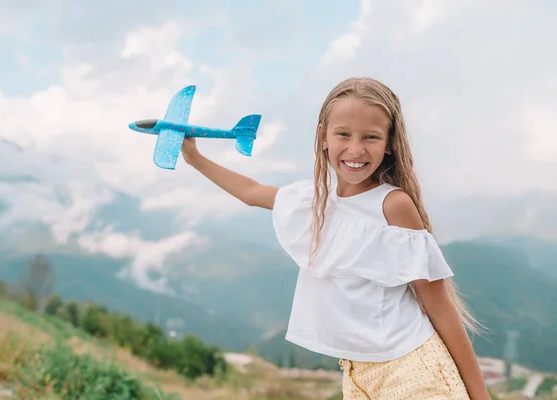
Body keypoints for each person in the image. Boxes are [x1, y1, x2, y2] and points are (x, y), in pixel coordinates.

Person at [180, 77, 489, 399]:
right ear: (323, 136)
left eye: (371, 137)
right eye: (343, 134)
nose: (356, 150)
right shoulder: (313, 200)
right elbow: (252, 192)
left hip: (412, 371)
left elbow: (439, 307)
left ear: (389, 143)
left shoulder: (393, 205)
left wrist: (480, 396)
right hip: (356, 378)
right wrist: (194, 158)